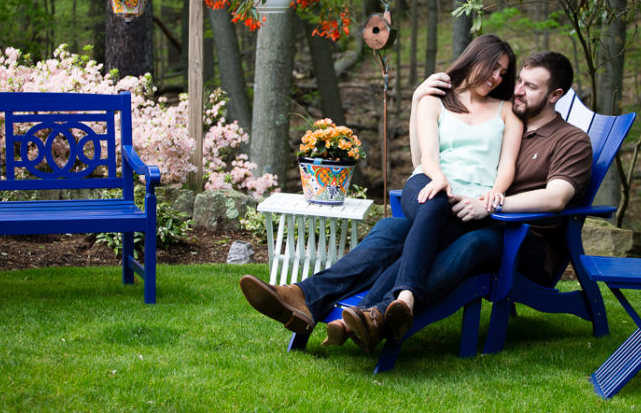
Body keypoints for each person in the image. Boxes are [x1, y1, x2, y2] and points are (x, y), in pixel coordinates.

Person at [239, 51, 591, 352]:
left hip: (525, 241)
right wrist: (418, 102)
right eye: (520, 81)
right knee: (394, 227)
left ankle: (375, 310)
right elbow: (424, 158)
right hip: (471, 216)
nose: (517, 88)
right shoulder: (503, 121)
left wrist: (491, 205)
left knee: (470, 242)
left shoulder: (570, 140)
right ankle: (308, 297)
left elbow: (557, 197)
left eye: (531, 86)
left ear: (555, 94)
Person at [341, 35, 524, 345]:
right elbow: (427, 156)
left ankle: (361, 316)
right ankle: (403, 300)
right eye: (493, 67)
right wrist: (439, 180)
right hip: (431, 188)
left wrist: (495, 192)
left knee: (416, 248)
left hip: (472, 203)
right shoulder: (437, 98)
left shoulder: (507, 111)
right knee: (429, 214)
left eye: (503, 73)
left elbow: (508, 166)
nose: (496, 78)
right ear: (474, 57)